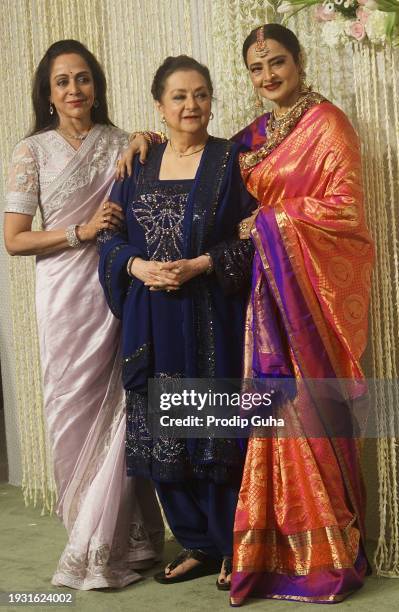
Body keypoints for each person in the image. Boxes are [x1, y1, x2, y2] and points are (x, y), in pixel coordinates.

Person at [118, 23, 374, 605]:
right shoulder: (256, 135)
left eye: (278, 63)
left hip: (307, 304)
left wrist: (267, 222)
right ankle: (253, 544)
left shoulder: (329, 126)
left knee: (302, 417)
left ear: (300, 61)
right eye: (257, 69)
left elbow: (345, 212)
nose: (268, 76)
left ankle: (321, 552)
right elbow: (203, 163)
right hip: (261, 307)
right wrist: (145, 138)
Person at [4, 39, 164, 590]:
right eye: (62, 82)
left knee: (126, 404)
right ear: (48, 95)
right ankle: (90, 539)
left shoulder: (121, 142)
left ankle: (132, 540)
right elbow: (14, 242)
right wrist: (81, 231)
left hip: (116, 287)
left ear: (96, 84)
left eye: (83, 79)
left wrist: (149, 138)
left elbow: (161, 169)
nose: (75, 90)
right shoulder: (32, 151)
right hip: (63, 294)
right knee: (70, 411)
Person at [98, 55, 256, 590]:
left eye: (202, 94)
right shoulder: (137, 164)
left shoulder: (232, 161)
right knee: (163, 430)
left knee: (213, 430)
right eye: (180, 97)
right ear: (159, 106)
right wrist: (137, 266)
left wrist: (200, 265)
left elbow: (249, 238)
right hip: (151, 319)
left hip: (210, 316)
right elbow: (110, 238)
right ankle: (196, 543)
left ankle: (235, 543)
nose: (192, 106)